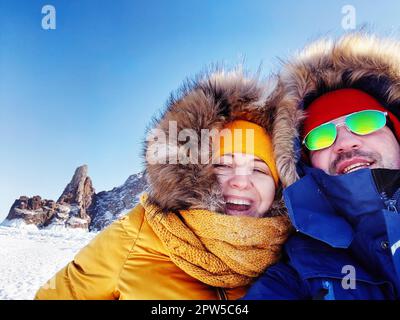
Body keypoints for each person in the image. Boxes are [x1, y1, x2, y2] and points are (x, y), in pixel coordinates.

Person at [34, 70, 294, 300]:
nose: (240, 181)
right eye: (223, 165)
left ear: (277, 185)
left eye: (259, 169)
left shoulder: (294, 255)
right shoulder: (134, 237)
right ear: (195, 173)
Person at [243, 33, 400, 300]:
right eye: (320, 136)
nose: (345, 142)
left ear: (395, 134)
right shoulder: (299, 271)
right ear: (305, 161)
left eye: (365, 121)